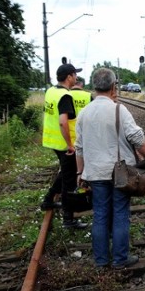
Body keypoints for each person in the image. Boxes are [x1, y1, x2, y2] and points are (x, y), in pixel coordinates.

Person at [75, 68, 145, 269]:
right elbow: (137, 138)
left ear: (95, 87)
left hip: (95, 173)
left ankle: (101, 261)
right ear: (113, 87)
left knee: (100, 215)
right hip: (120, 173)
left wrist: (79, 173)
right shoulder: (119, 110)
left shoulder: (84, 113)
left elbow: (80, 148)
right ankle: (120, 259)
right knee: (120, 214)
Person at [41, 63, 89, 230]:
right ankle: (68, 220)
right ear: (69, 77)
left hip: (52, 141)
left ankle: (48, 200)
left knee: (65, 173)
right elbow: (63, 122)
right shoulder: (64, 96)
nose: (76, 78)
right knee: (69, 181)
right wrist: (70, 145)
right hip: (63, 144)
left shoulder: (50, 91)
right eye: (74, 75)